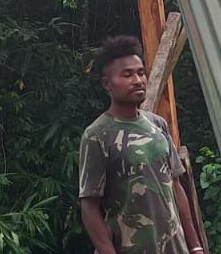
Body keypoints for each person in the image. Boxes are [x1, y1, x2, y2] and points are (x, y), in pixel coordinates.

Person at [78, 36, 205, 254]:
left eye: (141, 73)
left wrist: (195, 246)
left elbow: (176, 186)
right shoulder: (97, 135)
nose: (138, 80)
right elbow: (89, 206)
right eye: (127, 75)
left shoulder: (158, 125)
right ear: (107, 84)